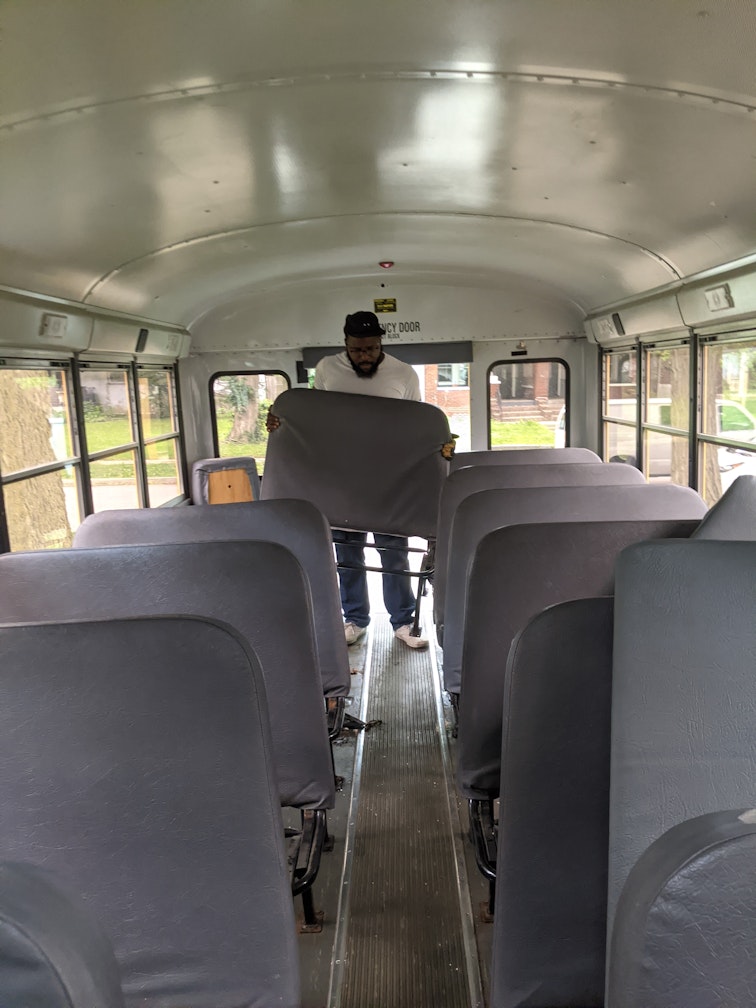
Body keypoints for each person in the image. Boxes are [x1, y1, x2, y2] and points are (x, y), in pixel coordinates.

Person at [268, 310, 428, 650]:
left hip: (388, 481)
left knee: (394, 554)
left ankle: (402, 622)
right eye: (357, 350)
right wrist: (282, 423)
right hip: (340, 480)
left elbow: (414, 424)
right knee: (348, 555)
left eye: (371, 349)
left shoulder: (403, 373)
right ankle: (355, 619)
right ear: (346, 344)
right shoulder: (327, 368)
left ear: (381, 342)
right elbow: (315, 418)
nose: (365, 356)